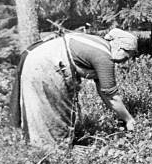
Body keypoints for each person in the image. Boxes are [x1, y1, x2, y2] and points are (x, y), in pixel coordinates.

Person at [9, 28, 138, 149]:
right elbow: (111, 96)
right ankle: (52, 152)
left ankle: (35, 146)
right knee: (53, 112)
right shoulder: (104, 56)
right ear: (121, 47)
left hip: (38, 57)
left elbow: (104, 92)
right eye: (127, 56)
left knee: (39, 111)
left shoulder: (99, 45)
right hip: (46, 64)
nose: (125, 61)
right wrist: (128, 119)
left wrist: (121, 115)